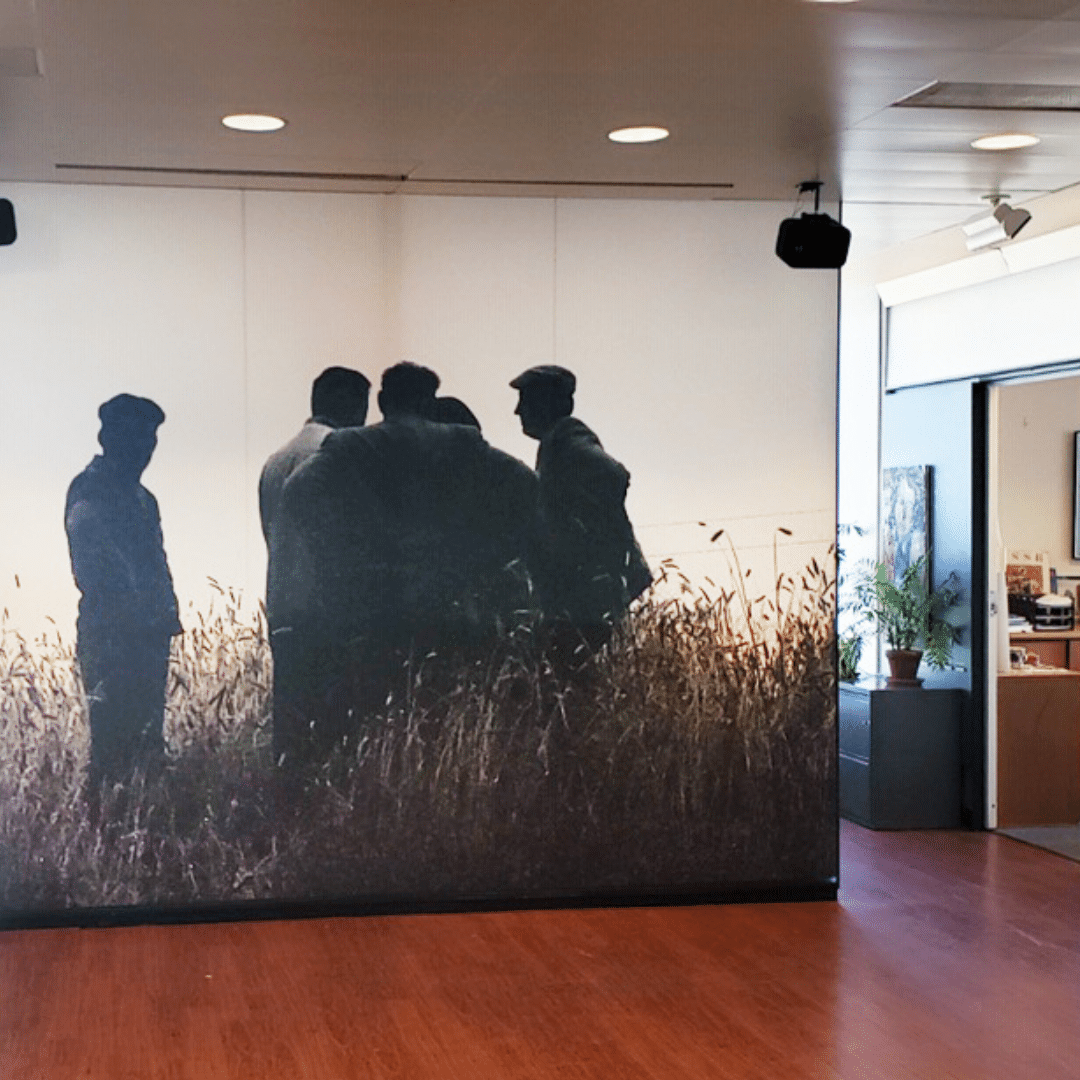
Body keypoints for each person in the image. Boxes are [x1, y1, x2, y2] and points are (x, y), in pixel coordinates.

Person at [276, 362, 538, 762]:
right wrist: (483, 551)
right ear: (430, 400)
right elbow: (526, 484)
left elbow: (297, 492)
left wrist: (344, 554)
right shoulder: (463, 443)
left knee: (383, 723)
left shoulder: (355, 446)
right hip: (452, 610)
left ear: (382, 400)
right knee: (439, 722)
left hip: (378, 612)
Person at [65, 394, 182, 789]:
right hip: (113, 637)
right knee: (113, 751)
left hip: (146, 637)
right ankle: (108, 838)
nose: (147, 447)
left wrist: (164, 618)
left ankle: (138, 834)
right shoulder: (91, 489)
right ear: (109, 437)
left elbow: (157, 562)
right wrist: (141, 613)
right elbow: (94, 564)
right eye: (138, 436)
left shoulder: (143, 499)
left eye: (151, 437)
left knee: (146, 746)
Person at [258, 366, 371, 768]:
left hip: (283, 604)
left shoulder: (275, 460)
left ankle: (287, 809)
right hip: (328, 612)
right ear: (351, 403)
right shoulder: (338, 453)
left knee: (290, 726)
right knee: (332, 730)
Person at [510, 365, 651, 663]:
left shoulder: (567, 438)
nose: (517, 410)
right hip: (593, 587)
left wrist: (577, 532)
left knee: (562, 671)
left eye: (525, 400)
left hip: (589, 590)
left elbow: (614, 474)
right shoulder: (557, 443)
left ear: (549, 403)